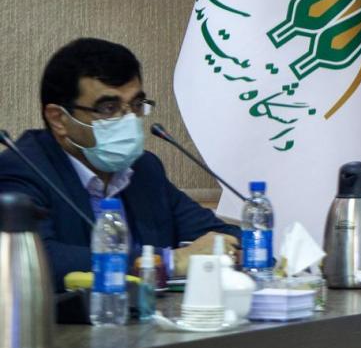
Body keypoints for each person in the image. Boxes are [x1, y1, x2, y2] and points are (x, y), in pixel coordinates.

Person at [0, 38, 240, 289]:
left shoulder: (144, 168)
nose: (128, 120)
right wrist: (168, 261)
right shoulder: (21, 170)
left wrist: (238, 247)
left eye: (136, 105)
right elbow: (34, 260)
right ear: (59, 119)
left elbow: (216, 234)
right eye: (108, 108)